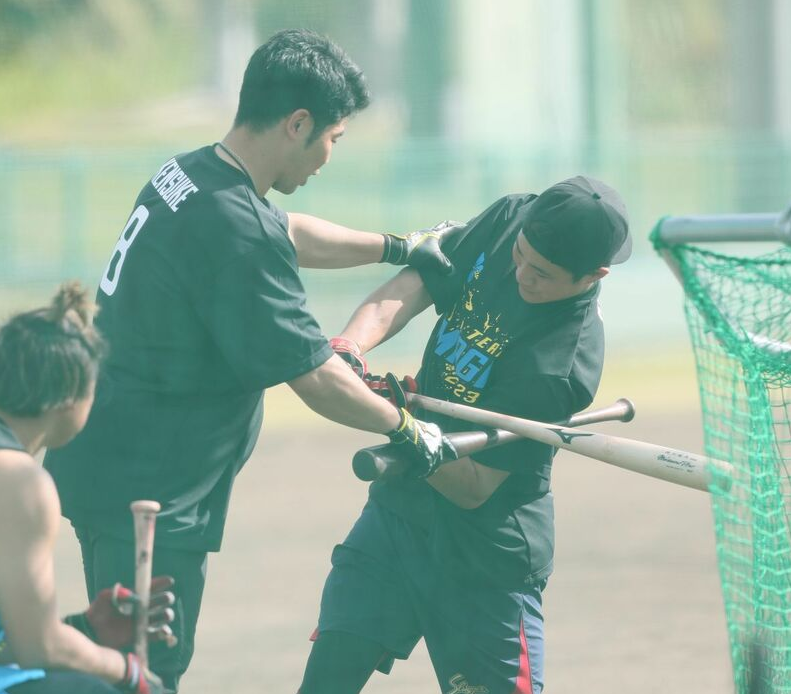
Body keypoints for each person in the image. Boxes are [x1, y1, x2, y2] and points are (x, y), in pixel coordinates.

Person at [43, 28, 455, 693]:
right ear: (297, 123)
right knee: (142, 674)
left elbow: (287, 232)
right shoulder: (234, 230)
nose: (327, 157)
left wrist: (398, 247)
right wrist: (404, 429)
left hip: (113, 459)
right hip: (152, 490)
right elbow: (315, 377)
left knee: (121, 662)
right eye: (332, 138)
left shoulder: (192, 173)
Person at [298, 176, 632, 694]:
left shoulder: (562, 362)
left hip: (485, 558)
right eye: (519, 256)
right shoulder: (509, 219)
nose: (520, 272)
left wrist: (401, 426)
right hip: (396, 517)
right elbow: (422, 281)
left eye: (541, 274)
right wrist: (349, 349)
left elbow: (474, 486)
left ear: (595, 275)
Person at [0, 282, 175, 694]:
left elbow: (25, 644)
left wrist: (84, 629)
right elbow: (38, 650)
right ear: (69, 398)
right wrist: (126, 669)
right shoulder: (19, 481)